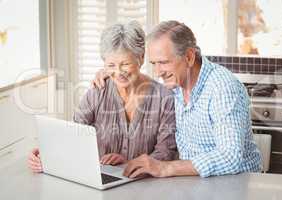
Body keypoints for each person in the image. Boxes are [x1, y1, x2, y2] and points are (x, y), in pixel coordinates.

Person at [93, 20, 262, 178]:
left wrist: (166, 167)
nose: (158, 72)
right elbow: (141, 80)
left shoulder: (221, 87)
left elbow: (230, 157)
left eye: (164, 62)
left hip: (234, 184)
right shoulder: (177, 85)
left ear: (189, 57)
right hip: (197, 183)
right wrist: (112, 73)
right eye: (154, 64)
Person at [28, 21, 177, 173]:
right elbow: (74, 135)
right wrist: (47, 153)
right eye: (111, 65)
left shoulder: (165, 99)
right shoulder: (98, 91)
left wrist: (129, 162)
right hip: (100, 182)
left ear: (141, 57)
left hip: (146, 186)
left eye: (125, 64)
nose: (118, 72)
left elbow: (166, 152)